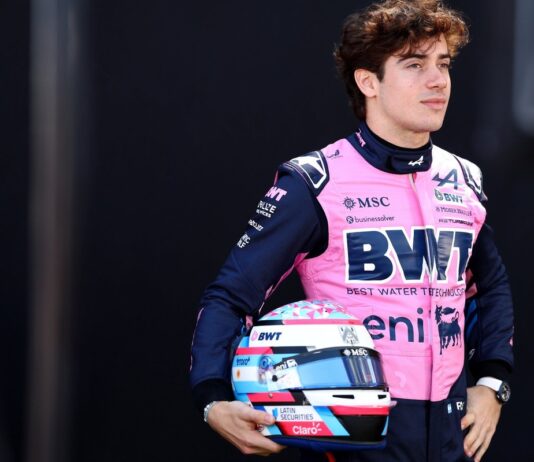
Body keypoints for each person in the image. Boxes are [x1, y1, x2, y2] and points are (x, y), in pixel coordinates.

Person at [189, 1, 514, 461]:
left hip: (449, 435)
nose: (438, 80)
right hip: (352, 435)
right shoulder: (315, 182)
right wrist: (212, 398)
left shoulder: (463, 179)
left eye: (443, 64)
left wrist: (493, 382)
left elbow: (489, 285)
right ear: (368, 82)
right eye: (415, 65)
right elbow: (231, 294)